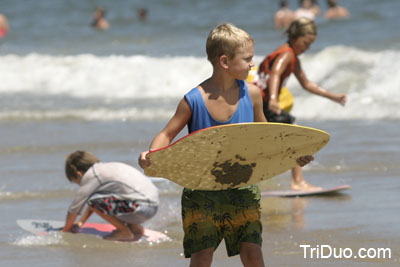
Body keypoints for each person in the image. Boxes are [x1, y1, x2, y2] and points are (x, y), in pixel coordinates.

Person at [138, 23, 313, 266]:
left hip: (242, 186)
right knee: (202, 255)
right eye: (247, 58)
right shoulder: (193, 99)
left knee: (252, 252)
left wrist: (293, 155)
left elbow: (267, 137)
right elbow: (167, 134)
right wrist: (153, 155)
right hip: (202, 189)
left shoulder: (251, 94)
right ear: (225, 61)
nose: (253, 64)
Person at [252, 17, 347, 191]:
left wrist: (333, 96)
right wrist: (273, 98)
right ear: (296, 37)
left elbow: (307, 83)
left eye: (310, 44)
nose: (307, 48)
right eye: (306, 43)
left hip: (258, 103)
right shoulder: (287, 54)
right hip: (264, 103)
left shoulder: (291, 56)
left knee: (269, 141)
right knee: (295, 136)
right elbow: (275, 73)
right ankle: (297, 182)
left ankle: (264, 180)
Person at [62, 150, 159, 241]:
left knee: (94, 201)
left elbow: (74, 209)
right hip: (152, 204)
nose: (80, 185)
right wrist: (81, 222)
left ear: (79, 174)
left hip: (141, 208)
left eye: (77, 182)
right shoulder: (105, 168)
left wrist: (65, 231)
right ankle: (135, 228)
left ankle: (124, 232)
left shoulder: (92, 176)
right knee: (110, 197)